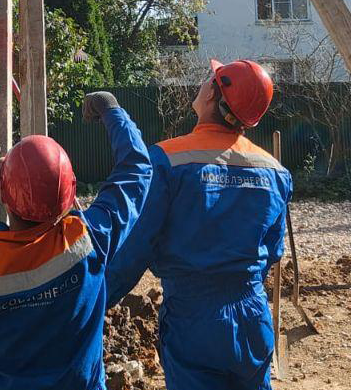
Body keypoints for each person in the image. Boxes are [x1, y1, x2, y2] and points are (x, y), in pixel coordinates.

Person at [0, 91, 152, 390]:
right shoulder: (88, 241)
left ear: (5, 194)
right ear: (71, 196)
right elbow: (136, 171)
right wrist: (110, 108)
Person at [106, 59, 292, 390]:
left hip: (194, 319)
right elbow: (273, 249)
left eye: (210, 78)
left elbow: (136, 248)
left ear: (212, 95)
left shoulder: (166, 159)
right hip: (253, 314)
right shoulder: (275, 171)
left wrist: (93, 301)